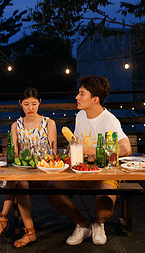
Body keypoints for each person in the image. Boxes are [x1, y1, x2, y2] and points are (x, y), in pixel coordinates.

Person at [47, 75, 131, 246]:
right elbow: (77, 145)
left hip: (104, 174)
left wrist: (94, 151)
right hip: (81, 172)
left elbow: (126, 149)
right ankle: (82, 224)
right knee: (51, 187)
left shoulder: (109, 120)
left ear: (94, 99)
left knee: (104, 210)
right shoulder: (80, 117)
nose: (77, 97)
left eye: (82, 94)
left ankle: (98, 223)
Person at [0, 87, 57, 248]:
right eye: (26, 104)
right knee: (20, 182)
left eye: (34, 104)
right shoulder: (16, 125)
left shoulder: (49, 123)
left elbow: (52, 153)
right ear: (20, 104)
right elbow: (14, 152)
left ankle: (2, 220)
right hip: (22, 172)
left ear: (39, 103)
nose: (30, 108)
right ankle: (30, 232)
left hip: (42, 172)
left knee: (17, 181)